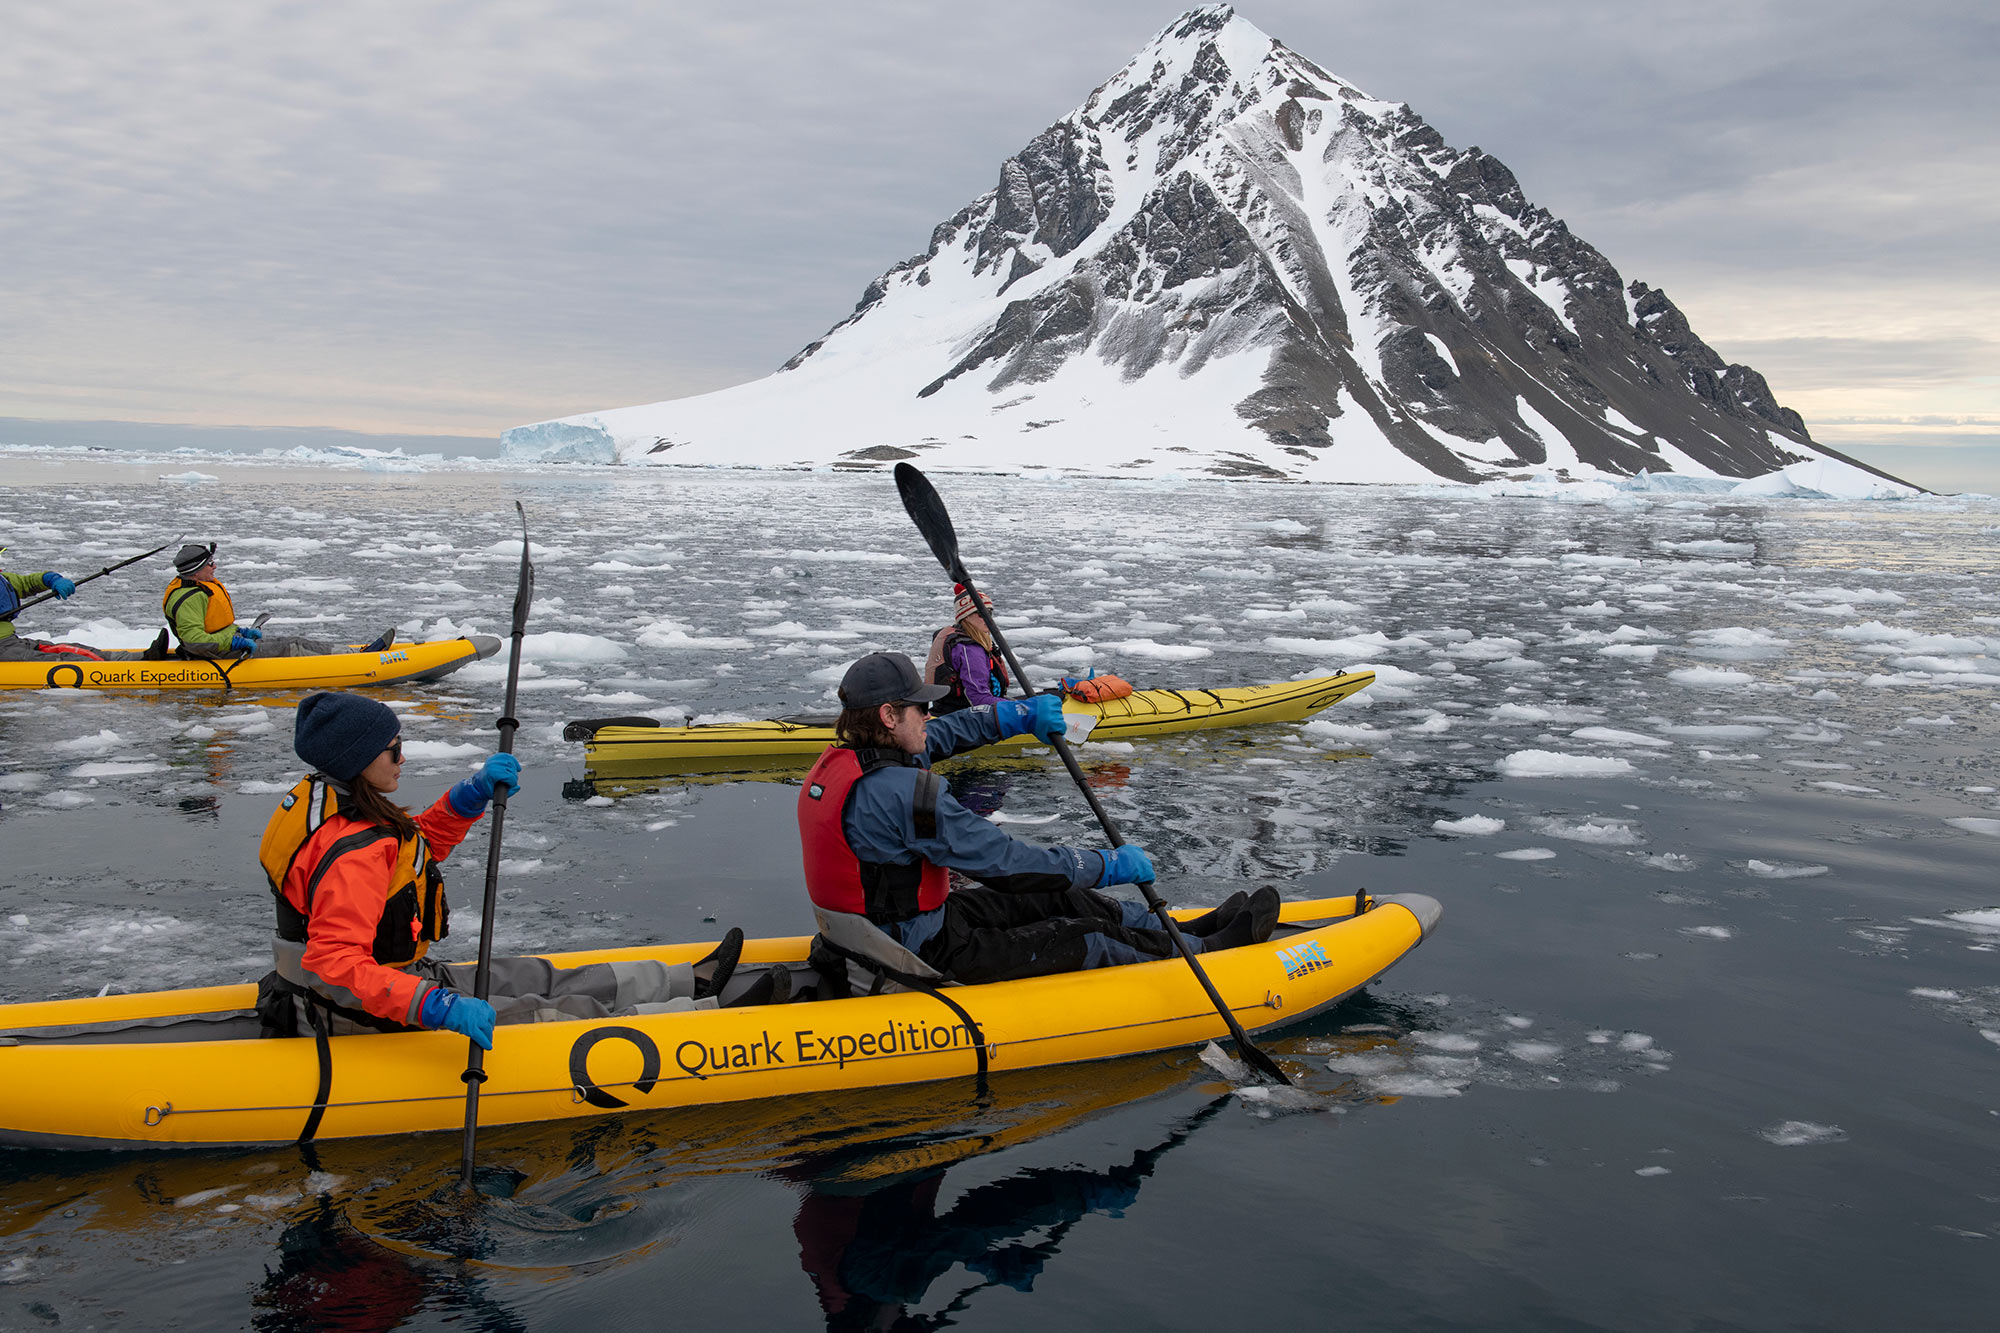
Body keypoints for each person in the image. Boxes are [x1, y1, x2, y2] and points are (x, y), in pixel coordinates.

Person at [257, 691, 741, 1047]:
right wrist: (434, 1005)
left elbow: (409, 857)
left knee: (534, 976)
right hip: (352, 1007)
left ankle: (681, 981)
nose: (403, 757)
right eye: (393, 749)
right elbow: (336, 966)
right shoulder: (351, 851)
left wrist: (467, 797)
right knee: (545, 1013)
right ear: (358, 761)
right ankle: (698, 1024)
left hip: (398, 974)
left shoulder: (335, 803)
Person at [798, 651, 1278, 988]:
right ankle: (1209, 955)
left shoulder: (848, 760)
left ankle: (1182, 929)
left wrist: (1014, 716)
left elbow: (944, 733)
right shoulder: (903, 797)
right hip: (914, 952)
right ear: (887, 715)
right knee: (1088, 935)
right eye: (919, 707)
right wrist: (1106, 866)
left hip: (904, 925)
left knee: (1062, 895)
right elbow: (1009, 867)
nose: (928, 715)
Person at [164, 542, 389, 659]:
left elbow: (212, 629)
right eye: (210, 564)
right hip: (218, 654)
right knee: (293, 646)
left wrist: (240, 632)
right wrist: (234, 642)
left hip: (224, 647)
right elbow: (195, 641)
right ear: (195, 571)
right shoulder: (190, 598)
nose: (215, 567)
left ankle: (353, 653)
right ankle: (354, 659)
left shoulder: (199, 589)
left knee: (293, 640)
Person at [923, 583, 1009, 715]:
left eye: (989, 612)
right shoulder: (969, 649)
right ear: (966, 616)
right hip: (966, 719)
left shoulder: (957, 638)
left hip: (946, 712)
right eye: (981, 613)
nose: (987, 618)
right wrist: (1023, 708)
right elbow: (979, 699)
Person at [0, 552, 79, 660]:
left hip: (10, 642)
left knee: (77, 651)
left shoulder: (4, 578)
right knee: (64, 659)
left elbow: (26, 583)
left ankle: (108, 660)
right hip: (4, 651)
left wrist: (52, 579)